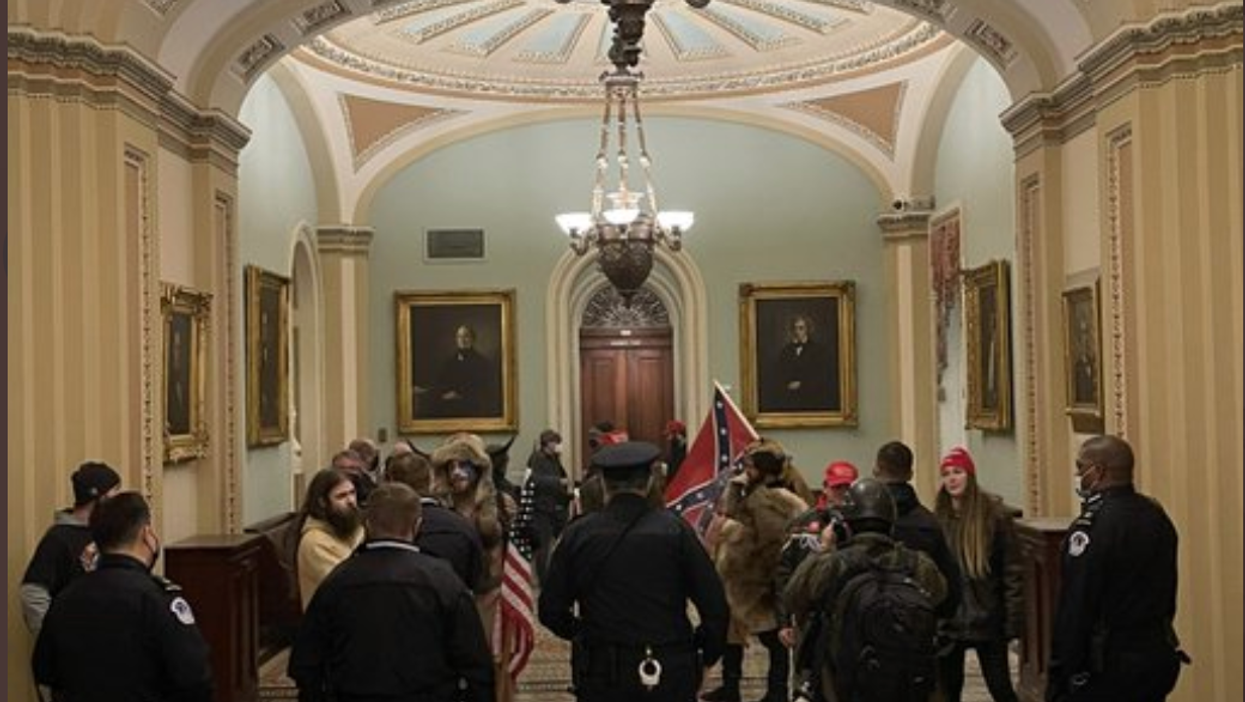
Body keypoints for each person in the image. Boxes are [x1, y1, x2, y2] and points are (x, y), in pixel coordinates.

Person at [539, 441, 730, 702]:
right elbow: (715, 607)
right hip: (669, 666)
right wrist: (702, 655)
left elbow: (550, 609)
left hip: (601, 670)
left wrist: (584, 634)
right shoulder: (676, 531)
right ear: (650, 482)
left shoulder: (578, 534)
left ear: (604, 483)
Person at [288, 482, 495, 702]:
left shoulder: (338, 581)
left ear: (367, 524)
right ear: (417, 525)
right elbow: (476, 664)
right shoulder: (444, 580)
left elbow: (306, 663)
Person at [33, 491, 213, 702]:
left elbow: (44, 672)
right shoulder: (158, 600)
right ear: (146, 534)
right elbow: (195, 679)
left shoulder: (65, 599)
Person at [1046, 435, 1188, 702]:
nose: (1078, 475)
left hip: (1108, 663)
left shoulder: (1092, 528)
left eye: (1080, 467)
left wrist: (1062, 671)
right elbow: (1168, 590)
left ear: (1097, 472)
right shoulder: (1155, 516)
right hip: (1155, 654)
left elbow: (1076, 607)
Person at [784, 479, 947, 702]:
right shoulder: (917, 564)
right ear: (891, 524)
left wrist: (822, 549)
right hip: (906, 683)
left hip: (844, 683)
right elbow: (941, 596)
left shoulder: (832, 564)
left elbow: (793, 597)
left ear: (846, 525)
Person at [703, 439, 809, 702]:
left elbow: (766, 539)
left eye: (750, 466)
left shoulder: (776, 500)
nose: (745, 471)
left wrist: (731, 534)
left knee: (773, 639)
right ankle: (730, 688)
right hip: (740, 581)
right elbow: (730, 511)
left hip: (759, 580)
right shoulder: (752, 492)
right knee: (732, 636)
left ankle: (775, 692)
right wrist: (734, 487)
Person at [933, 447, 1024, 702]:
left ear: (970, 475)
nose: (952, 479)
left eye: (958, 472)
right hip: (951, 620)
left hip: (987, 617)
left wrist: (1013, 621)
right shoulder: (939, 518)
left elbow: (1012, 572)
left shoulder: (994, 516)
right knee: (948, 690)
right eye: (946, 473)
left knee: (1000, 687)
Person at [20, 461, 122, 638]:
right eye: (114, 495)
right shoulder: (58, 538)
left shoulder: (107, 532)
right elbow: (32, 592)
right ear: (99, 498)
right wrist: (54, 640)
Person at [775, 461, 859, 649]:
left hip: (852, 613)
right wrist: (784, 621)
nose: (843, 493)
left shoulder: (864, 523)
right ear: (826, 488)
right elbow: (784, 575)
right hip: (809, 614)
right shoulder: (802, 525)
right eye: (838, 487)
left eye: (848, 487)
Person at [874, 440, 962, 618]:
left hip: (870, 622)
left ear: (876, 470)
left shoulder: (865, 523)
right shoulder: (929, 524)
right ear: (910, 474)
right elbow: (951, 586)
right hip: (920, 620)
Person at [384, 451, 485, 592]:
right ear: (430, 481)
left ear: (391, 483)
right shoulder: (462, 526)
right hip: (451, 606)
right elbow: (477, 583)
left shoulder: (383, 526)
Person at [293, 467, 364, 609]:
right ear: (322, 502)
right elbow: (347, 587)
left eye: (352, 493)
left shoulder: (356, 528)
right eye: (341, 496)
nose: (350, 501)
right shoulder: (315, 542)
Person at [419, 324, 501, 418]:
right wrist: (426, 390)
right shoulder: (450, 362)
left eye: (466, 336)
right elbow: (441, 382)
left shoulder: (482, 363)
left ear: (473, 339)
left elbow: (484, 390)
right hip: (447, 404)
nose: (462, 339)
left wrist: (460, 395)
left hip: (471, 407)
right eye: (459, 336)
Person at [763, 314, 838, 413]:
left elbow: (822, 376)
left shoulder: (818, 350)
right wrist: (786, 384)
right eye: (795, 328)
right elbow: (779, 374)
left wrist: (802, 384)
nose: (797, 331)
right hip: (788, 399)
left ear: (808, 329)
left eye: (801, 328)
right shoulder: (786, 350)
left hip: (811, 399)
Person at [525, 428, 572, 583]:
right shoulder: (537, 458)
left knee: (558, 545)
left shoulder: (554, 459)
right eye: (556, 443)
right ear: (549, 443)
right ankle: (544, 581)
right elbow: (535, 481)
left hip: (555, 509)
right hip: (541, 509)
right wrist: (558, 482)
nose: (558, 446)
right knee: (543, 548)